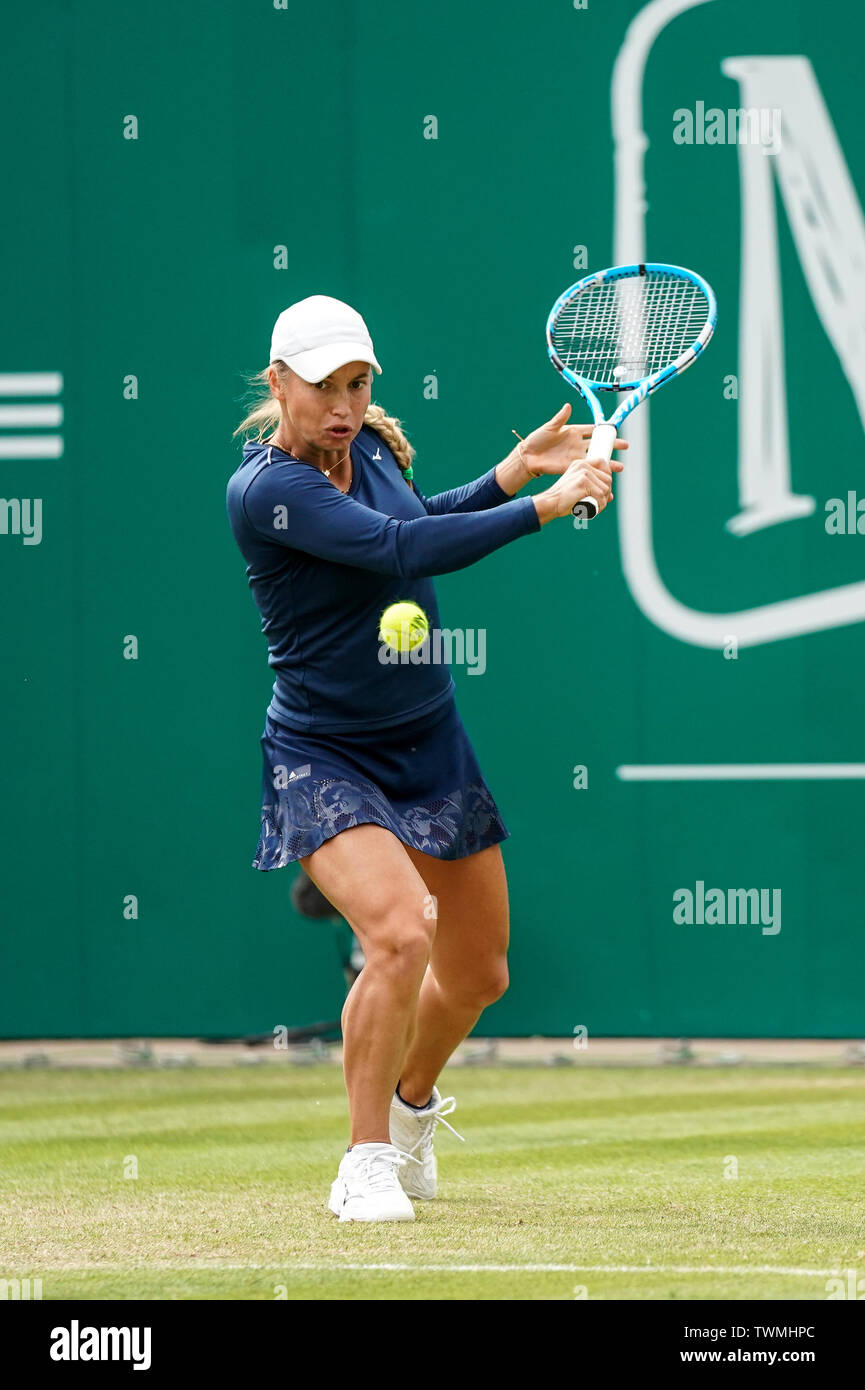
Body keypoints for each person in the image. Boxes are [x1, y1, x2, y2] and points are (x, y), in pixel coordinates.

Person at [226, 294, 625, 1222]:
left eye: (359, 384)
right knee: (400, 931)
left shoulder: (365, 447)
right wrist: (542, 507)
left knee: (480, 973)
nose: (345, 403)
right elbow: (398, 545)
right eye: (325, 385)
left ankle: (408, 1112)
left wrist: (504, 477)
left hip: (427, 737)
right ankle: (362, 1162)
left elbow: (412, 530)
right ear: (278, 381)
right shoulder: (267, 489)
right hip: (322, 753)